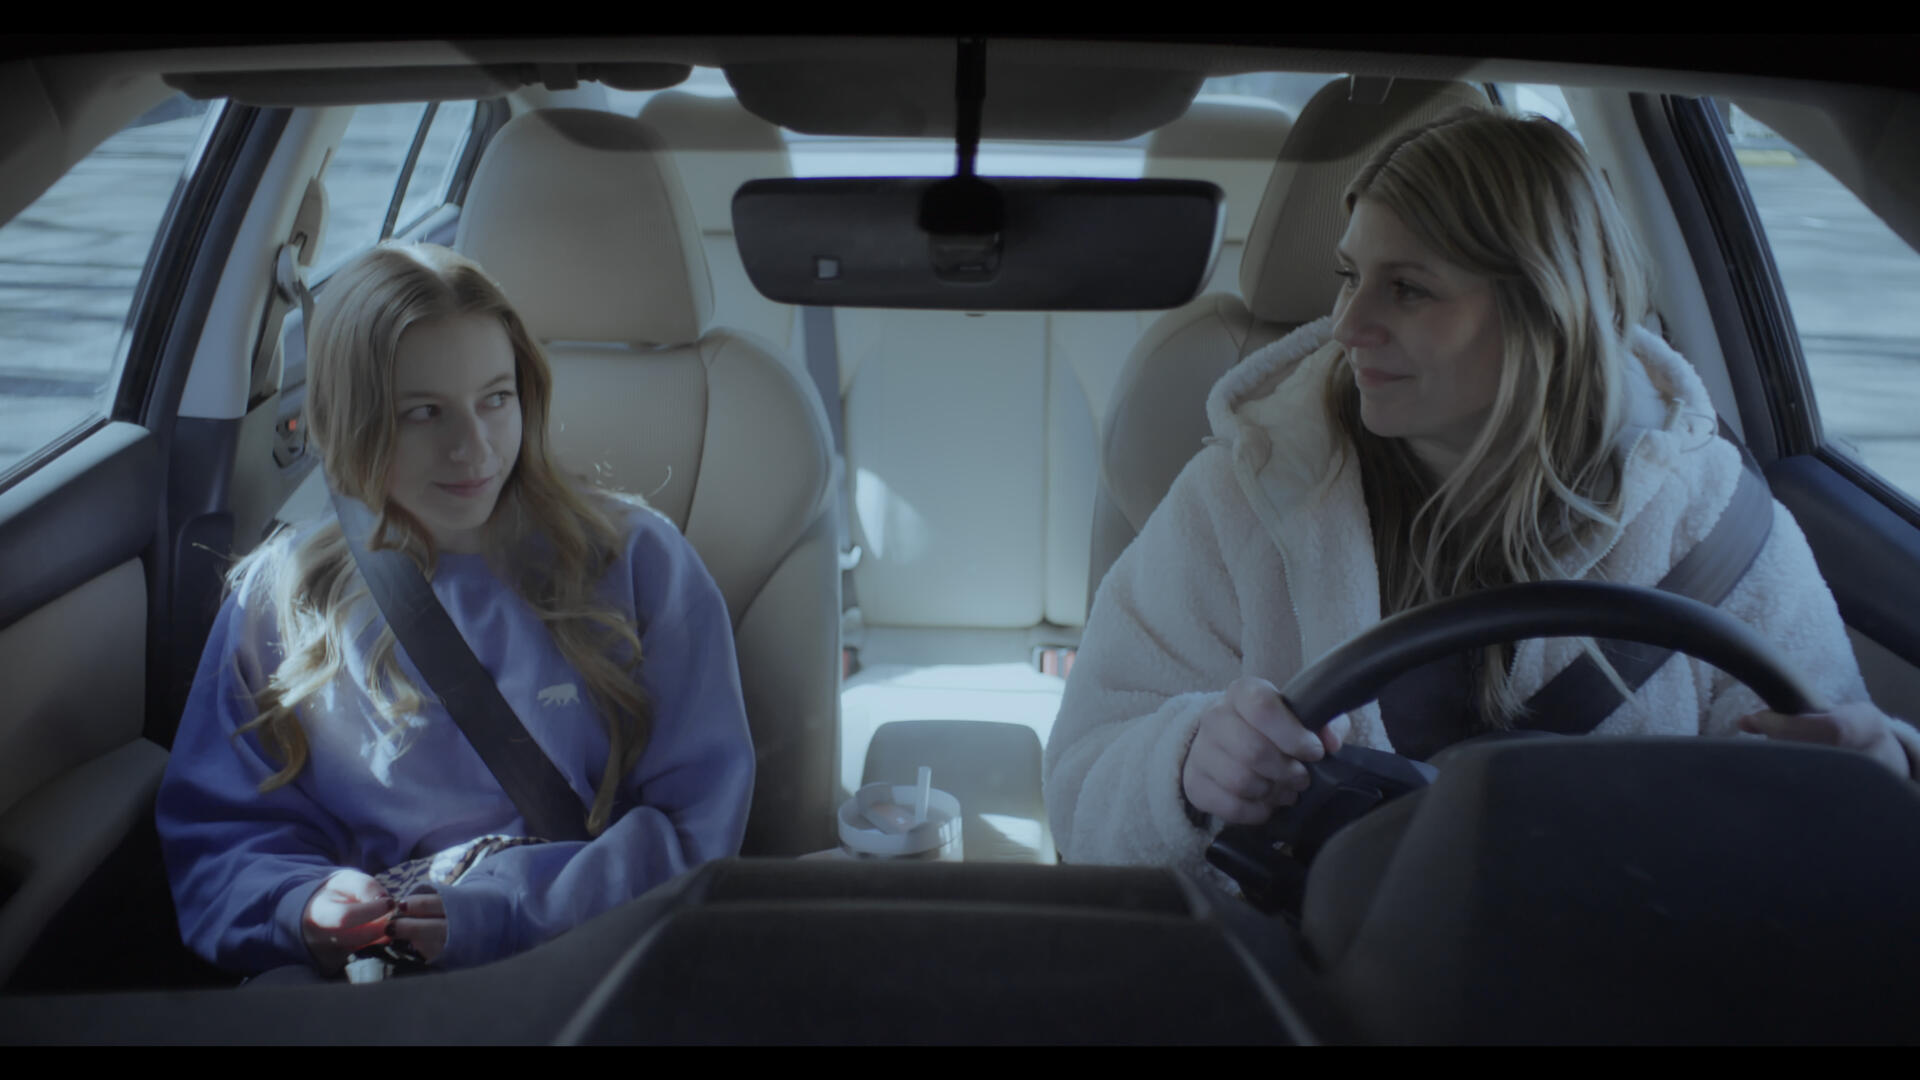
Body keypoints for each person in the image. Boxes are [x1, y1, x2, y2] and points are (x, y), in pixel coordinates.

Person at [1044, 105, 1920, 880]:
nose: (1347, 324)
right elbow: (1084, 787)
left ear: (1543, 309)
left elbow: (1822, 809)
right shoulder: (1243, 499)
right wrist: (1188, 766)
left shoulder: (1708, 522)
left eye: (1409, 288)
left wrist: (1877, 779)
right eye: (1351, 275)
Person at [156, 243, 755, 980]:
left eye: (495, 399)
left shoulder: (635, 564)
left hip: (588, 952)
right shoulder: (279, 599)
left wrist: (497, 912)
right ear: (354, 420)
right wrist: (301, 906)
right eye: (423, 413)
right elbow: (222, 833)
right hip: (369, 982)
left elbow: (699, 829)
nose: (473, 447)